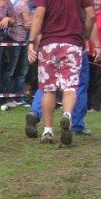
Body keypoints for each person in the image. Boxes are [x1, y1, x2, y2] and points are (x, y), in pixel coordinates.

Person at [26, 0, 98, 145]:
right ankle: (67, 115)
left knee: (48, 89)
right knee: (70, 87)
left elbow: (39, 14)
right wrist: (84, 37)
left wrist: (32, 41)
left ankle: (47, 130)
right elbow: (91, 16)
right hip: (72, 43)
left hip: (49, 44)